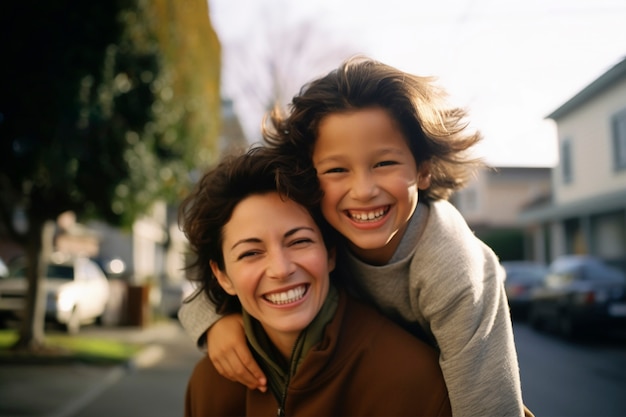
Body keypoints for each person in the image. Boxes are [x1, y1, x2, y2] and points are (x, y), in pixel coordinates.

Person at [179, 56, 530, 417]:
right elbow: (231, 263)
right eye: (336, 169)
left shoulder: (455, 270)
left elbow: (489, 408)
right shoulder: (322, 221)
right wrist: (215, 323)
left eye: (384, 163)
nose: (363, 191)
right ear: (310, 177)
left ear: (423, 170)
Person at [181, 146, 452, 416]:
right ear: (222, 276)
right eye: (250, 253)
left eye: (300, 241)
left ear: (330, 253)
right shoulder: (209, 384)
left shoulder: (413, 381)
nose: (281, 269)